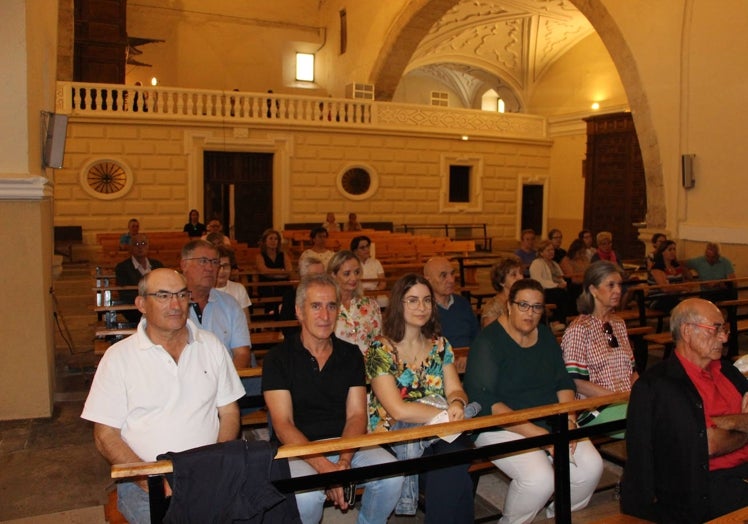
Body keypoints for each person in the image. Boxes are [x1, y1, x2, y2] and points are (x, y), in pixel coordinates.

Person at [81, 268, 245, 523]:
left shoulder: (210, 345)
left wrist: (216, 462)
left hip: (208, 472)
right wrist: (152, 481)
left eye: (181, 294)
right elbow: (105, 435)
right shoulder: (119, 358)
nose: (175, 304)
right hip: (145, 481)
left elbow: (229, 412)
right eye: (163, 296)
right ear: (141, 304)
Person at [262, 273, 403, 524]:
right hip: (298, 449)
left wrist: (344, 462)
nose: (325, 316)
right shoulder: (277, 358)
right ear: (299, 311)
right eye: (315, 306)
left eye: (331, 306)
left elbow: (357, 415)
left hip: (346, 443)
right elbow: (283, 424)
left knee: (393, 476)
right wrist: (324, 468)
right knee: (306, 497)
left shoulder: (350, 354)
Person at [463, 279, 603, 523]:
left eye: (537, 307)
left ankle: (555, 515)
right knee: (540, 479)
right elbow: (485, 399)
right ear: (509, 305)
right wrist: (538, 435)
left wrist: (568, 420)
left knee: (591, 468)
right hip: (499, 424)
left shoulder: (546, 336)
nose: (530, 313)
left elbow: (562, 382)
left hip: (550, 419)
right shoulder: (488, 341)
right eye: (523, 305)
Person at [621, 298, 748, 522]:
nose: (725, 337)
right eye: (716, 329)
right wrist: (743, 420)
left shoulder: (729, 372)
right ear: (687, 331)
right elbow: (709, 444)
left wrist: (725, 424)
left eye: (724, 329)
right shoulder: (659, 385)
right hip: (705, 486)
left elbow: (713, 436)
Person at [366, 273, 475, 522]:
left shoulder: (440, 345)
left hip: (439, 431)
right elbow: (398, 410)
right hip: (396, 437)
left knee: (452, 460)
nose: (422, 307)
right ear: (398, 304)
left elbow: (455, 390)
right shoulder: (379, 349)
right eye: (413, 300)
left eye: (427, 300)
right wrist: (445, 414)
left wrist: (457, 403)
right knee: (454, 468)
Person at [561, 261, 638, 433]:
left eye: (619, 285)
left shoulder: (618, 324)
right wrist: (616, 398)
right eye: (610, 285)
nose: (618, 290)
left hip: (625, 400)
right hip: (596, 406)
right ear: (593, 290)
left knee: (664, 410)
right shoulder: (579, 329)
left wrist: (641, 394)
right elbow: (576, 382)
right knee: (646, 421)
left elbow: (632, 371)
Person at [328, 250, 382, 355]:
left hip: (368, 367)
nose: (354, 278)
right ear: (333, 275)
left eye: (357, 272)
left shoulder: (371, 305)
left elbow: (379, 341)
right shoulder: (327, 307)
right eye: (347, 274)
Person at [423, 256, 479, 348]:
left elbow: (477, 336)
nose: (451, 280)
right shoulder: (423, 309)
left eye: (452, 274)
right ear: (428, 280)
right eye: (443, 275)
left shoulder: (462, 303)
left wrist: (468, 355)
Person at [114, 233, 164, 323]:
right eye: (136, 244)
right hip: (135, 309)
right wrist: (147, 302)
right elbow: (124, 294)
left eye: (143, 244)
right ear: (130, 248)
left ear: (148, 246)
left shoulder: (158, 265)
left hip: (158, 307)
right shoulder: (122, 267)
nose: (140, 247)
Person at [278, 256, 326, 338]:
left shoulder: (328, 296)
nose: (320, 279)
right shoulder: (290, 296)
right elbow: (287, 328)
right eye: (316, 276)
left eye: (322, 275)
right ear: (303, 277)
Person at [529, 239, 569, 332]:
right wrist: (556, 285)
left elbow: (560, 277)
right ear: (541, 252)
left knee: (569, 291)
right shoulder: (537, 263)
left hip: (556, 288)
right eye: (548, 250)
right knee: (559, 294)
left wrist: (562, 283)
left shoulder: (554, 264)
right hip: (544, 290)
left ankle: (564, 320)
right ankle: (555, 321)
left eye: (552, 250)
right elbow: (539, 281)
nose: (551, 252)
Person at [649, 239, 693, 313]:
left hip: (674, 296)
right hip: (658, 298)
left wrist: (683, 266)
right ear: (662, 252)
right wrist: (682, 288)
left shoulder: (676, 267)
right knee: (679, 306)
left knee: (691, 303)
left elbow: (689, 278)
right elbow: (665, 289)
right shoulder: (657, 268)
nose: (673, 252)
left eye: (674, 249)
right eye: (670, 250)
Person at [255, 228, 293, 314]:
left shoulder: (283, 254)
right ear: (265, 241)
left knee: (286, 291)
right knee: (269, 289)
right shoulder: (260, 256)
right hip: (266, 284)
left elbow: (289, 270)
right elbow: (264, 271)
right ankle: (270, 314)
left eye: (276, 239)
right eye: (271, 238)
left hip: (283, 284)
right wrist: (280, 271)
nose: (273, 241)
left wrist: (273, 273)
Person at [481, 257, 523, 327]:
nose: (521, 277)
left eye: (521, 273)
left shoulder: (523, 300)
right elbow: (489, 335)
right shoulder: (493, 308)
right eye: (514, 275)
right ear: (501, 282)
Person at [215, 245, 251, 324]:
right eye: (218, 266)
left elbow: (246, 323)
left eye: (226, 266)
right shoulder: (204, 291)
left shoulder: (239, 289)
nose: (222, 271)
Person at [351, 235, 388, 307]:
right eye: (362, 248)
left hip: (375, 292)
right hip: (357, 293)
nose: (367, 249)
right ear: (355, 251)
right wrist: (362, 292)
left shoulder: (376, 262)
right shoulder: (351, 264)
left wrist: (375, 291)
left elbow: (383, 282)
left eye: (367, 246)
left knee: (384, 300)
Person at [560, 238, 590, 309]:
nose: (582, 255)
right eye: (580, 252)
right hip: (573, 286)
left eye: (583, 252)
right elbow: (572, 278)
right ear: (574, 251)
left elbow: (590, 272)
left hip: (586, 283)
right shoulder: (566, 260)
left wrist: (580, 275)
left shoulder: (585, 259)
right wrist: (584, 275)